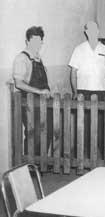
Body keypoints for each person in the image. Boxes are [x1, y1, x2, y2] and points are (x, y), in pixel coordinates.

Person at [69, 21, 105, 158]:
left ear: (98, 31)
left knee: (102, 124)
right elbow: (73, 72)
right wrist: (75, 92)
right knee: (84, 123)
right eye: (89, 30)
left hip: (102, 91)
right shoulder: (79, 49)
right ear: (86, 32)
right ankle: (85, 154)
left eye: (95, 29)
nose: (92, 32)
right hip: (83, 91)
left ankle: (102, 153)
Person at [12, 26, 52, 155]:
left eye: (40, 42)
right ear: (27, 41)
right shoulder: (21, 58)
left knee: (48, 132)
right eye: (35, 41)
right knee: (33, 135)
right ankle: (30, 168)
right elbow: (19, 83)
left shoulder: (38, 59)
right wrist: (39, 92)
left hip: (44, 102)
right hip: (29, 103)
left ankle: (40, 165)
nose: (38, 45)